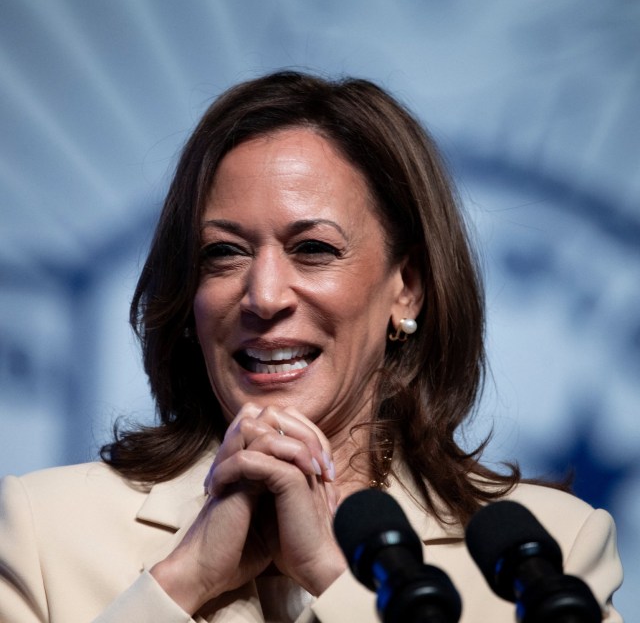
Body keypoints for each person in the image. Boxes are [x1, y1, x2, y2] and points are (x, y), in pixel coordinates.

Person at [0, 71, 623, 622]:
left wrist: (337, 578)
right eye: (224, 253)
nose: (264, 296)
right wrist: (182, 581)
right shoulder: (41, 533)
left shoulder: (548, 557)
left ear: (405, 290)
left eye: (314, 250)